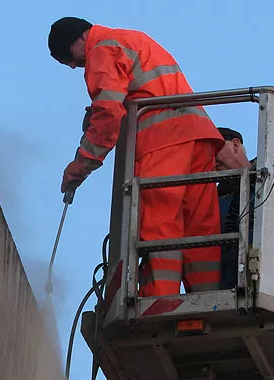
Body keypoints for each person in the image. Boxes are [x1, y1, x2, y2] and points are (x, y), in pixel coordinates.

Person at [47, 17, 226, 296]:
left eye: (67, 58)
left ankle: (160, 303)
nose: (72, 66)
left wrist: (80, 166)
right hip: (199, 137)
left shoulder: (100, 49)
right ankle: (207, 304)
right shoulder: (132, 39)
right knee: (200, 231)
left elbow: (108, 115)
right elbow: (138, 90)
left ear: (80, 38)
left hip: (164, 142)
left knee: (159, 226)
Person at [215, 127, 256, 290]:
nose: (211, 159)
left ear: (235, 145)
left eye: (214, 149)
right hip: (228, 289)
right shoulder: (213, 201)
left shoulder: (271, 180)